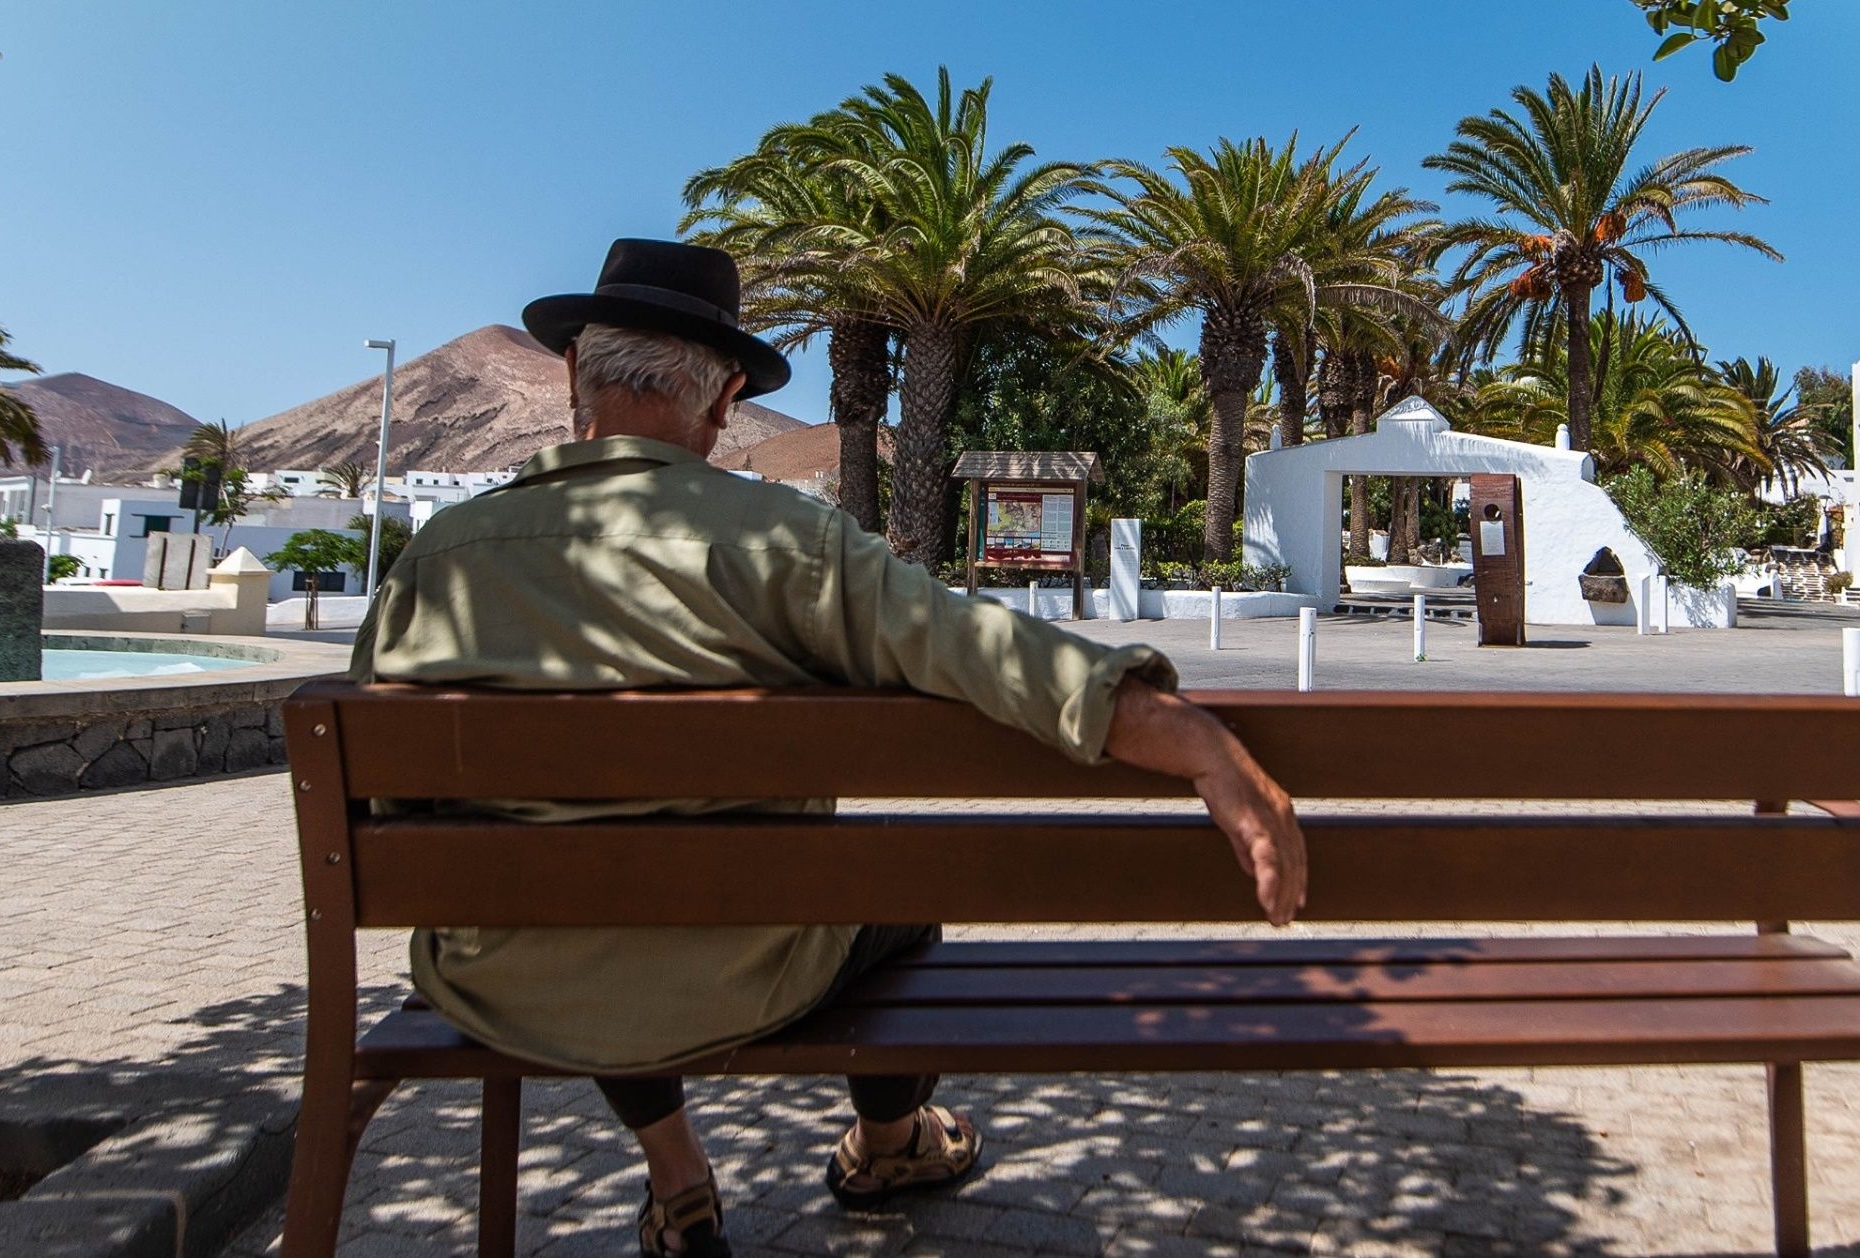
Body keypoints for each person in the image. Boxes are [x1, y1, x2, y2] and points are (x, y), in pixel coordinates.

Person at [348, 239, 1309, 1258]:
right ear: (722, 403)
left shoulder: (434, 558)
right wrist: (1193, 738)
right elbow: (979, 647)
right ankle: (890, 1141)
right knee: (879, 898)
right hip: (741, 978)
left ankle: (676, 1175)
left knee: (586, 881)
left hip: (500, 979)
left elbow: (385, 808)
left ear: (573, 373)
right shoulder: (785, 539)